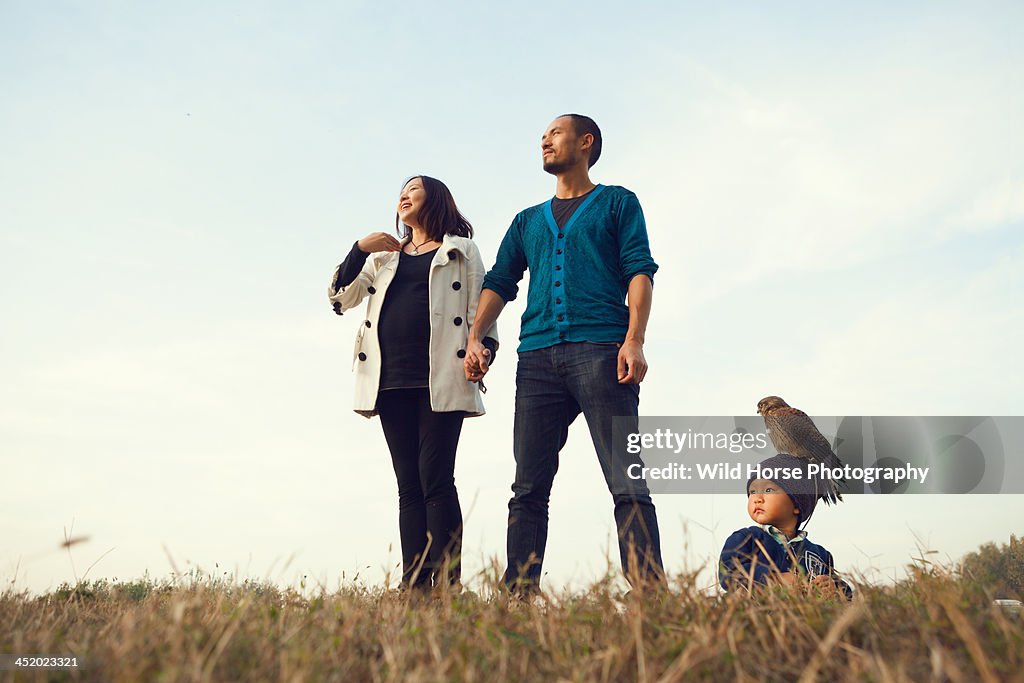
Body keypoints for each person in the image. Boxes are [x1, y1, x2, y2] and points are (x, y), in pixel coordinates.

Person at [463, 114, 664, 594]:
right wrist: (474, 336)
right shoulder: (527, 220)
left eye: (555, 133)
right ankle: (518, 596)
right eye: (544, 136)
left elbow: (639, 269)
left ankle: (651, 598)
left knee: (626, 481)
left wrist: (634, 338)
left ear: (586, 142)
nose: (545, 141)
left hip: (602, 352)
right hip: (535, 361)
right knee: (527, 489)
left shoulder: (617, 202)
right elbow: (499, 283)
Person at [327, 175, 498, 591]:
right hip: (389, 380)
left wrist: (485, 349)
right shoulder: (382, 257)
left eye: (413, 190)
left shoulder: (461, 250)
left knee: (436, 478)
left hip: (443, 376)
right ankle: (415, 583)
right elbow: (339, 299)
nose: (403, 197)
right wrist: (359, 249)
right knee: (408, 484)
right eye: (400, 193)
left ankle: (450, 583)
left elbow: (481, 308)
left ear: (434, 199)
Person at [719, 453, 853, 599]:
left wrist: (834, 588)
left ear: (796, 503)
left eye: (769, 490)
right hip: (756, 617)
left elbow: (845, 593)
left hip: (802, 619)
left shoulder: (820, 554)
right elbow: (728, 572)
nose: (757, 498)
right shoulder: (745, 539)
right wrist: (774, 578)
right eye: (752, 491)